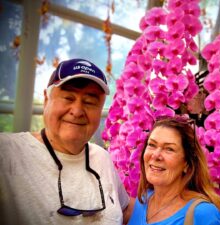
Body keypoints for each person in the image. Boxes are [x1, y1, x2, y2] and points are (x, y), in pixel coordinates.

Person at [0, 58, 132, 225]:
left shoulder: (102, 158)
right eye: (68, 98)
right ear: (47, 100)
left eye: (90, 102)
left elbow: (126, 210)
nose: (77, 111)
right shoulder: (8, 153)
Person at [127, 116, 220, 225]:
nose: (156, 155)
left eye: (169, 149)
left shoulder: (203, 215)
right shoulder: (143, 200)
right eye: (152, 145)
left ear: (187, 163)